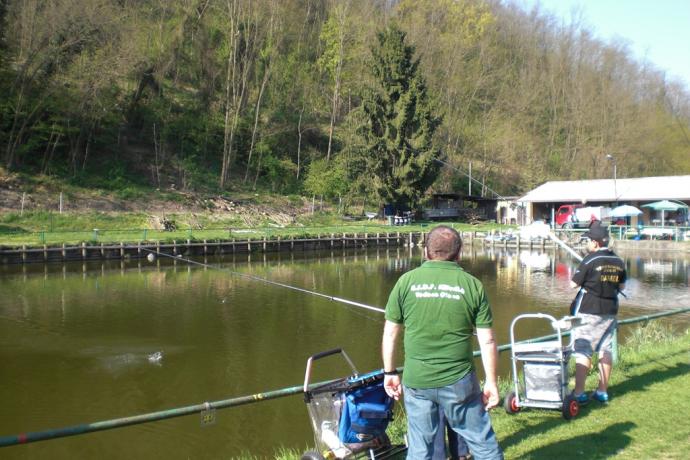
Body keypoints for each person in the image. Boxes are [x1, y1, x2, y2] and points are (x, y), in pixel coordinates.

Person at [381, 225, 503, 460]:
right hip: (459, 381)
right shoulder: (472, 285)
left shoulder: (406, 282)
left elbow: (390, 333)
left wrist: (390, 372)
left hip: (417, 380)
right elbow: (487, 341)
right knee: (483, 445)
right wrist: (491, 382)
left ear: (426, 251)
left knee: (420, 450)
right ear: (459, 253)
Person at [569, 221, 626, 404]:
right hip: (610, 311)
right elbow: (622, 286)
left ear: (595, 243)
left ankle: (579, 393)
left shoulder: (590, 259)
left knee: (583, 351)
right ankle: (602, 391)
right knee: (605, 350)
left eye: (588, 240)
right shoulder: (619, 261)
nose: (586, 243)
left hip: (589, 311)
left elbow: (573, 284)